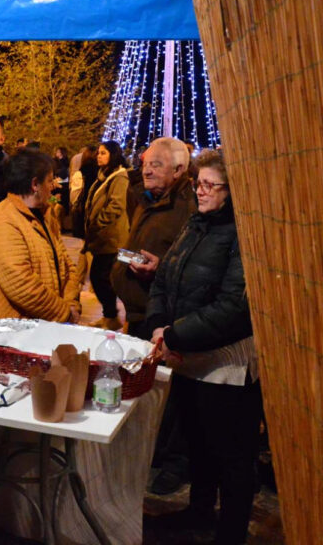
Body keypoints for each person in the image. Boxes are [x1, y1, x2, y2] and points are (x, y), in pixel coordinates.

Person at [146, 149, 260, 545]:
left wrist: (173, 335)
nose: (201, 191)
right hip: (188, 357)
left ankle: (230, 532)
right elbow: (165, 277)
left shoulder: (243, 234)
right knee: (198, 445)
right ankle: (198, 511)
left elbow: (233, 309)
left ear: (233, 191)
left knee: (231, 457)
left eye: (211, 185)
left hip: (226, 367)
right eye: (199, 183)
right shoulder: (196, 224)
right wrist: (159, 325)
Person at [0, 148, 81, 322]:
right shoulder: (3, 221)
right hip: (11, 331)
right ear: (35, 184)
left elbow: (66, 264)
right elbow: (21, 284)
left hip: (44, 326)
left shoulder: (46, 215)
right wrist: (64, 312)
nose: (53, 185)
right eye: (50, 180)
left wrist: (71, 302)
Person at [111, 136, 196, 340]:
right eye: (145, 164)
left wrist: (160, 269)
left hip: (159, 320)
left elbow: (196, 268)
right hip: (136, 314)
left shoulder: (189, 210)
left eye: (156, 165)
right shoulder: (146, 198)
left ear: (178, 170)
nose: (146, 171)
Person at [82, 141, 129, 330]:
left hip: (112, 238)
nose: (98, 156)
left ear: (113, 155)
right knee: (102, 278)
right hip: (101, 238)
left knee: (101, 278)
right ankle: (109, 316)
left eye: (103, 153)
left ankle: (113, 317)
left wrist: (98, 223)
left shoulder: (119, 177)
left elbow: (116, 205)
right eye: (98, 153)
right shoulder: (103, 175)